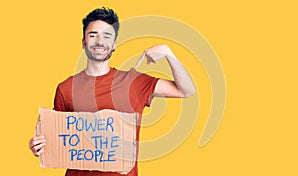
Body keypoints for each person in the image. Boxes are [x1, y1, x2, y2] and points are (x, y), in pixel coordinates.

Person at [29, 7, 195, 176]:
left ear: (114, 44)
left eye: (107, 35)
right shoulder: (65, 88)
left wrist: (169, 54)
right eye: (93, 35)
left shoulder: (134, 82)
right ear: (83, 42)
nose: (100, 41)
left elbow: (186, 90)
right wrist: (39, 146)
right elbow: (59, 140)